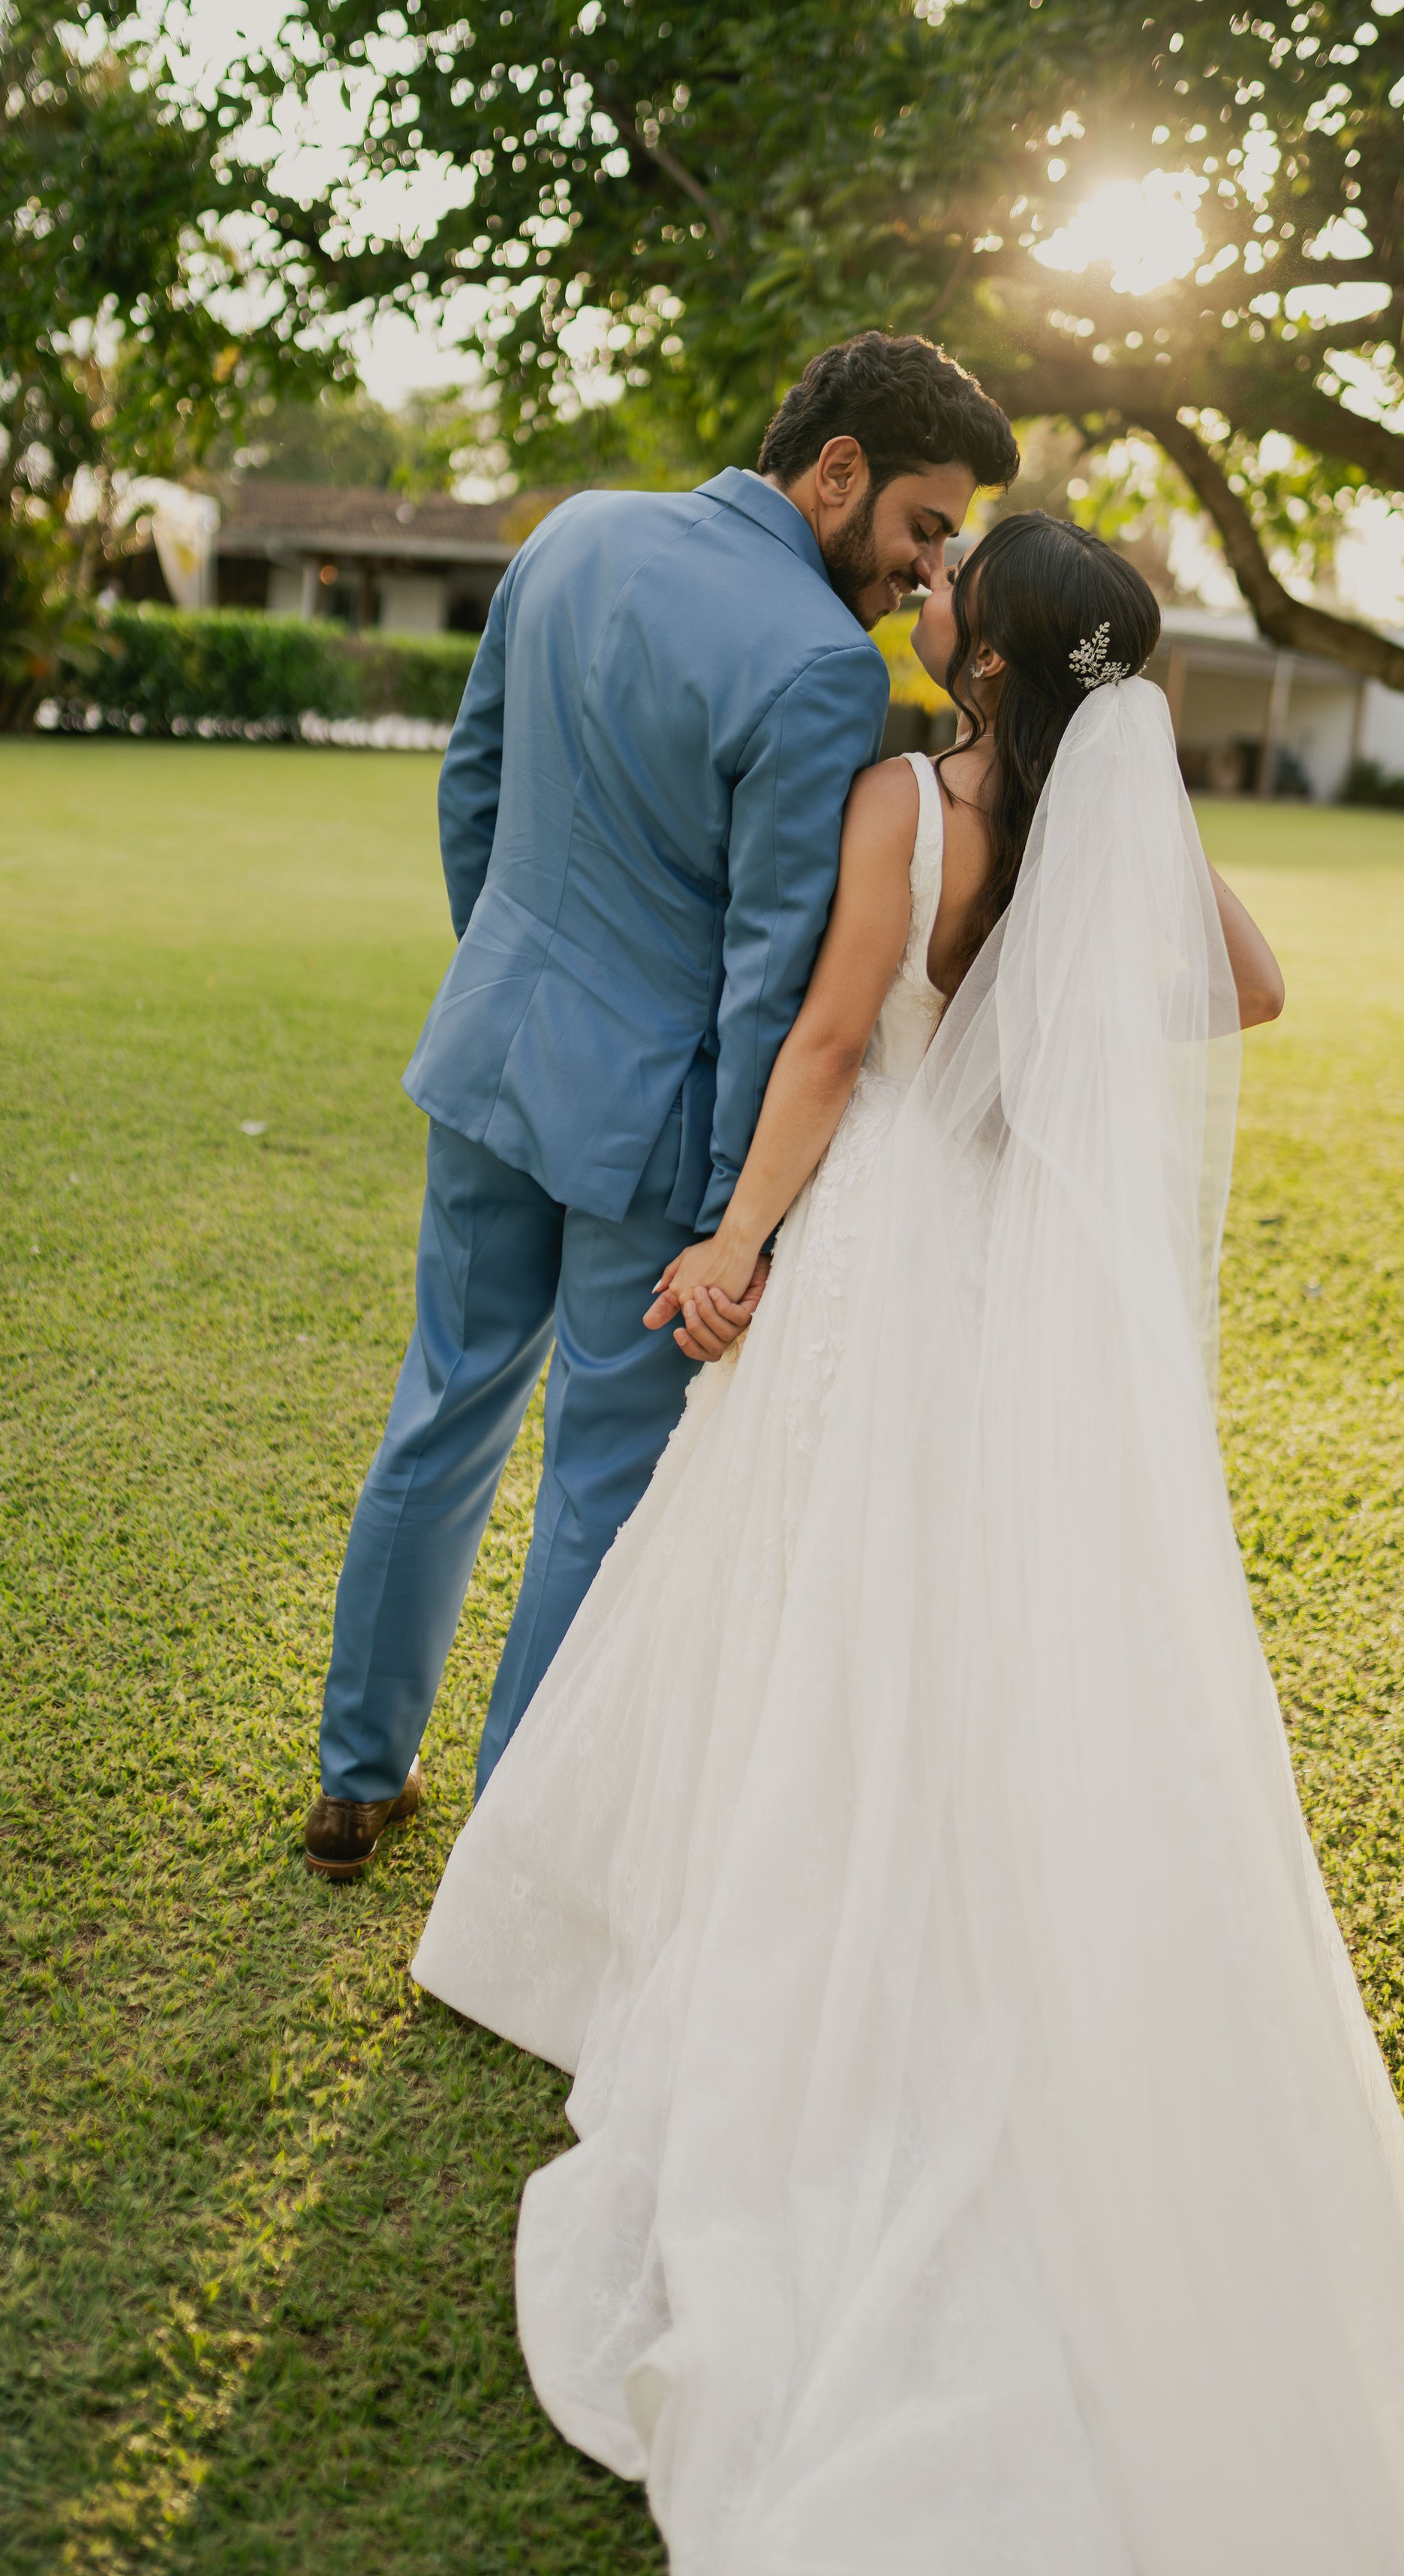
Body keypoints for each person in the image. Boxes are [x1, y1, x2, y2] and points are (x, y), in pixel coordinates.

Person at [413, 511, 1404, 2574]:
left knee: (820, 1599)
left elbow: (831, 1043)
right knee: (975, 1615)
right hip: (1010, 1260)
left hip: (878, 1233)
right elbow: (1251, 985)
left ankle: (803, 1943)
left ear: (987, 657)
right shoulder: (1095, 823)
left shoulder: (900, 802)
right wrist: (1091, 920)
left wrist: (734, 1246)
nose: (918, 601)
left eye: (946, 591)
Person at [303, 333, 1021, 1879]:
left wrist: (511, 986)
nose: (926, 570)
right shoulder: (821, 666)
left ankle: (354, 1781)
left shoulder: (571, 534)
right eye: (921, 526)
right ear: (837, 470)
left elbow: (472, 788)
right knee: (597, 1483)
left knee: (443, 1402)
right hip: (650, 1129)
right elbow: (769, 969)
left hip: (488, 1057)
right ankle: (511, 1853)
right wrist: (731, 1219)